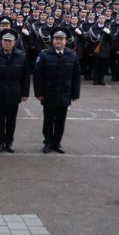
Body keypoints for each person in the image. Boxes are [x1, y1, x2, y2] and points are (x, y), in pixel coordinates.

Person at [34, 26, 81, 154]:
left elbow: (76, 76)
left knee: (61, 120)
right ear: (52, 40)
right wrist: (38, 93)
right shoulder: (44, 55)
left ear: (66, 41)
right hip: (49, 93)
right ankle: (48, 142)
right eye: (56, 39)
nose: (58, 41)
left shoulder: (72, 55)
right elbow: (38, 76)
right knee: (48, 120)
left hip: (65, 93)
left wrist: (75, 94)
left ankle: (57, 142)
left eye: (61, 39)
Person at [0, 29, 31, 153]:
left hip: (15, 93)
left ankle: (9, 142)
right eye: (5, 41)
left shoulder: (21, 56)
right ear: (1, 42)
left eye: (10, 41)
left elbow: (26, 76)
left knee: (11, 120)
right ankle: (0, 142)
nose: (7, 43)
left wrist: (25, 93)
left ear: (14, 42)